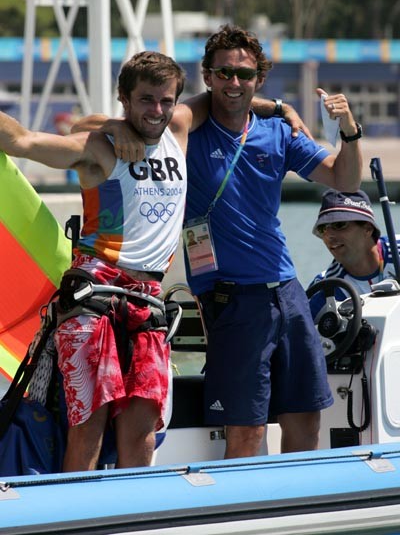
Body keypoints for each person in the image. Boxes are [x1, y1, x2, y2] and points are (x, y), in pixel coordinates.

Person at [74, 24, 363, 460]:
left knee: (306, 422)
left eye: (245, 75)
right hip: (231, 299)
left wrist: (349, 131)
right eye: (224, 73)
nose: (234, 83)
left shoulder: (277, 131)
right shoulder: (183, 133)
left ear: (259, 79)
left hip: (287, 290)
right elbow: (84, 125)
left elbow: (346, 179)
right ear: (207, 76)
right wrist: (126, 131)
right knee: (245, 433)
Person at [0, 51, 206, 472]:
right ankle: (77, 516)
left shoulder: (180, 129)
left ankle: (129, 517)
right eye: (146, 100)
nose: (158, 111)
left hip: (147, 302)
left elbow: (225, 97)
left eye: (166, 101)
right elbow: (20, 141)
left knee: (142, 431)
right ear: (124, 99)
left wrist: (279, 108)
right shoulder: (97, 147)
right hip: (92, 297)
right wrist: (108, 126)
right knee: (88, 426)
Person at [308, 188, 400, 318]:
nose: (328, 236)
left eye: (339, 225)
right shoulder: (326, 288)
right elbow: (296, 334)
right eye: (323, 229)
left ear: (367, 229)